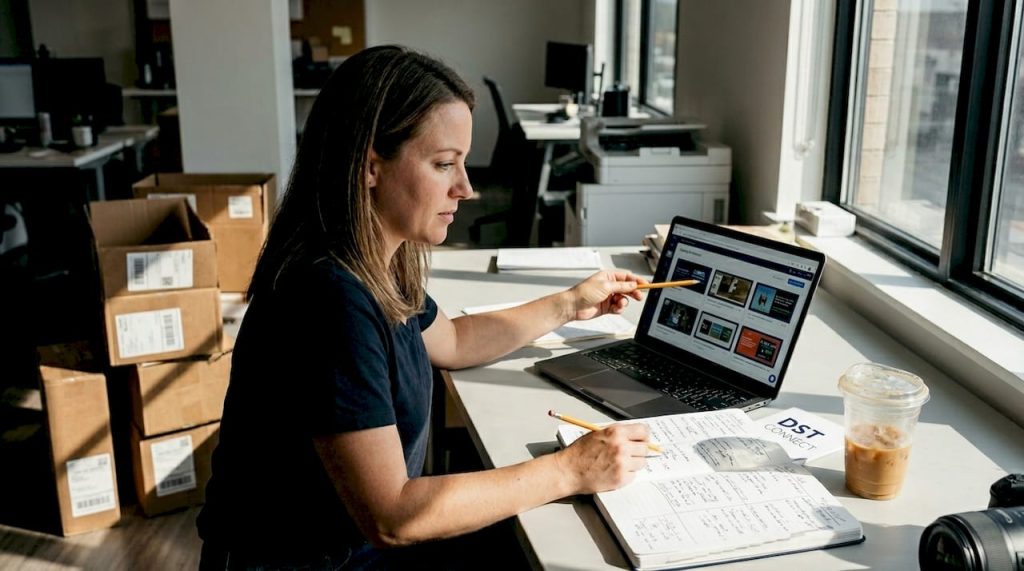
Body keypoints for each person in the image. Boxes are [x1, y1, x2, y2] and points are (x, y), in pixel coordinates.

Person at [196, 45, 654, 570]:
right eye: (444, 164)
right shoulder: (330, 299)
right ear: (371, 167)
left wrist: (570, 303)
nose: (466, 188)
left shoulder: (377, 260)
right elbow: (396, 516)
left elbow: (454, 342)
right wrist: (570, 469)